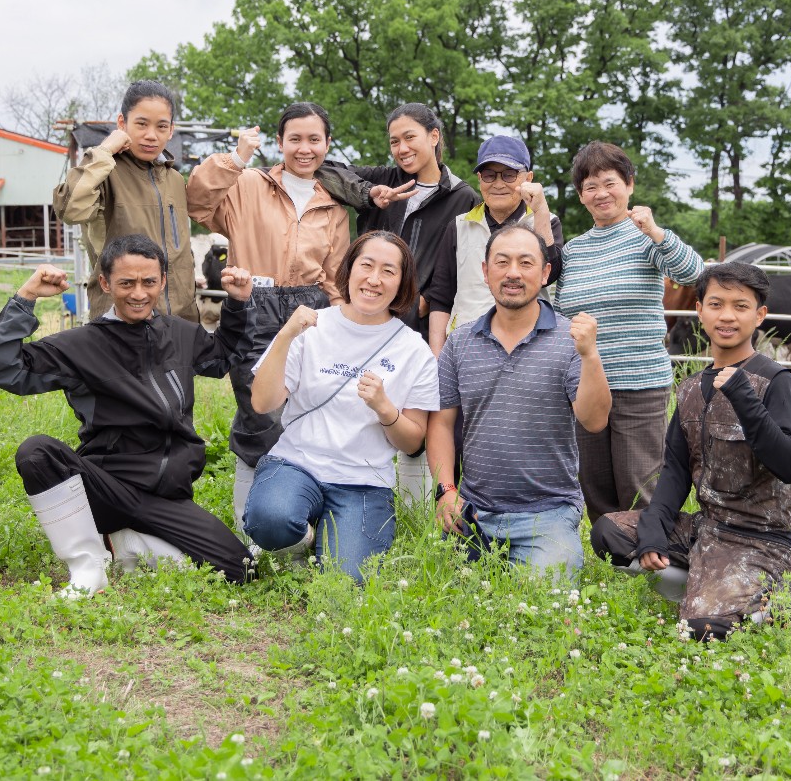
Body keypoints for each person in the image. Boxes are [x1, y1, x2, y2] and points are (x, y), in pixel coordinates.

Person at [0, 235, 256, 596]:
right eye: (126, 283)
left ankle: (125, 546)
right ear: (106, 283)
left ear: (163, 281)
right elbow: (0, 367)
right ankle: (87, 567)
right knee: (37, 452)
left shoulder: (179, 333)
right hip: (106, 489)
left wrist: (237, 302)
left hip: (167, 498)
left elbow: (223, 357)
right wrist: (26, 297)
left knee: (241, 570)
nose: (139, 293)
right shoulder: (79, 345)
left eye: (149, 282)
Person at [589, 262, 791, 641]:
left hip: (761, 541)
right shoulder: (689, 388)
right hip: (706, 529)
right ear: (699, 310)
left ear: (759, 315)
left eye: (740, 306)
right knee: (609, 532)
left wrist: (744, 398)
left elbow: (790, 465)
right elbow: (674, 473)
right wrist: (653, 532)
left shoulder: (776, 381)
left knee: (703, 630)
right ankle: (715, 587)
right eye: (716, 304)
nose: (727, 316)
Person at [186, 102, 353, 528]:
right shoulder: (246, 184)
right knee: (259, 414)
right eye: (294, 138)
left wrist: (342, 326)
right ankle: (251, 529)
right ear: (279, 143)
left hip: (311, 308)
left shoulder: (333, 204)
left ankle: (300, 516)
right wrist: (236, 157)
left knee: (306, 412)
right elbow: (196, 201)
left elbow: (336, 276)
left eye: (314, 139)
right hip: (254, 304)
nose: (304, 148)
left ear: (327, 144)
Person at [242, 232, 439, 581]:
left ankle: (324, 539)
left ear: (402, 283)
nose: (374, 279)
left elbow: (412, 442)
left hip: (363, 481)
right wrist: (286, 334)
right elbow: (261, 402)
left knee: (347, 579)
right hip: (297, 463)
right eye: (366, 265)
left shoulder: (414, 350)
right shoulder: (310, 325)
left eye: (388, 271)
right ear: (349, 270)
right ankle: (301, 537)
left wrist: (384, 408)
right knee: (269, 520)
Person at [426, 225, 610, 577]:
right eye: (502, 262)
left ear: (544, 274)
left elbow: (595, 420)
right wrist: (445, 490)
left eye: (526, 263)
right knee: (454, 598)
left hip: (548, 512)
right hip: (475, 511)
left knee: (540, 601)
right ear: (485, 272)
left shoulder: (569, 339)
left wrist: (590, 356)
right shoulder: (460, 341)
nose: (513, 272)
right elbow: (442, 422)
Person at [556, 141, 704, 523]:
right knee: (595, 483)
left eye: (610, 182)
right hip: (587, 384)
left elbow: (695, 275)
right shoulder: (573, 251)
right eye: (590, 186)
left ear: (629, 185)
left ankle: (654, 561)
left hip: (638, 383)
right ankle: (616, 565)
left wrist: (656, 231)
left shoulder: (645, 237)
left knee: (640, 483)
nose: (601, 193)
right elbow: (560, 313)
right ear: (580, 196)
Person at [53, 80, 197, 322]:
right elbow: (69, 208)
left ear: (171, 130)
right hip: (122, 321)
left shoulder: (173, 178)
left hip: (180, 322)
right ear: (122, 123)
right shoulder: (105, 172)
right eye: (141, 124)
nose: (151, 135)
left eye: (161, 126)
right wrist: (105, 150)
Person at [348, 103, 480, 347]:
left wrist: (424, 301)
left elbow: (466, 267)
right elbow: (326, 170)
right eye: (394, 141)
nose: (402, 148)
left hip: (419, 331)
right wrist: (367, 193)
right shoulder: (382, 180)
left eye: (409, 137)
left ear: (434, 136)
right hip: (364, 316)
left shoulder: (463, 198)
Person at [427, 135, 564, 354]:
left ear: (528, 177)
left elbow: (551, 274)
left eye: (509, 175)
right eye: (489, 175)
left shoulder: (545, 220)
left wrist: (540, 212)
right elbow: (441, 298)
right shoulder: (458, 226)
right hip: (466, 344)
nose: (498, 184)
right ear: (479, 179)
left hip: (530, 345)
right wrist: (436, 357)